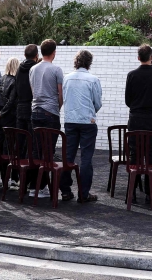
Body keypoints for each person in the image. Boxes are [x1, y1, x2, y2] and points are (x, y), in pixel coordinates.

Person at [125, 44, 152, 200]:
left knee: (134, 156)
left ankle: (132, 194)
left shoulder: (131, 75)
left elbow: (127, 100)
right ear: (151, 58)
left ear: (138, 58)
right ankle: (151, 194)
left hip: (135, 119)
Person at [62, 49, 102, 203]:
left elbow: (64, 98)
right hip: (87, 122)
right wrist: (91, 112)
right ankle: (83, 193)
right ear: (89, 63)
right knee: (86, 158)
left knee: (68, 156)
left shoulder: (67, 78)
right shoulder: (93, 79)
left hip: (70, 121)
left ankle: (65, 191)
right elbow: (97, 102)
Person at [30, 39, 64, 199]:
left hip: (35, 110)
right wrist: (57, 108)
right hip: (50, 112)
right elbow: (60, 94)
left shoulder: (33, 69)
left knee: (37, 149)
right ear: (54, 52)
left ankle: (35, 187)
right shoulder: (56, 69)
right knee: (48, 151)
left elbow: (33, 91)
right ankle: (44, 187)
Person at [15, 44, 40, 195]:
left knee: (21, 143)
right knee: (32, 145)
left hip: (20, 108)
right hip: (31, 107)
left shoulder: (19, 68)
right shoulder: (34, 69)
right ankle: (31, 182)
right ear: (36, 55)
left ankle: (20, 180)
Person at [0, 58, 20, 189]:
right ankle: (11, 177)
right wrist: (2, 113)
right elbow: (11, 101)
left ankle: (2, 177)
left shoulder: (0, 80)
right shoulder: (15, 81)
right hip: (10, 118)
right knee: (10, 148)